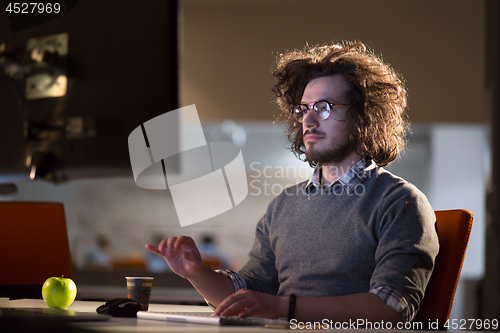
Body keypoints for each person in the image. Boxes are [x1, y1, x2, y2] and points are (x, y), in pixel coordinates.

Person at [146, 41, 439, 324]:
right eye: (303, 109)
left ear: (365, 115)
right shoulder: (283, 205)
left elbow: (390, 308)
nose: (308, 121)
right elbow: (251, 291)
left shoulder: (399, 201)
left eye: (324, 107)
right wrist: (196, 272)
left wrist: (282, 307)